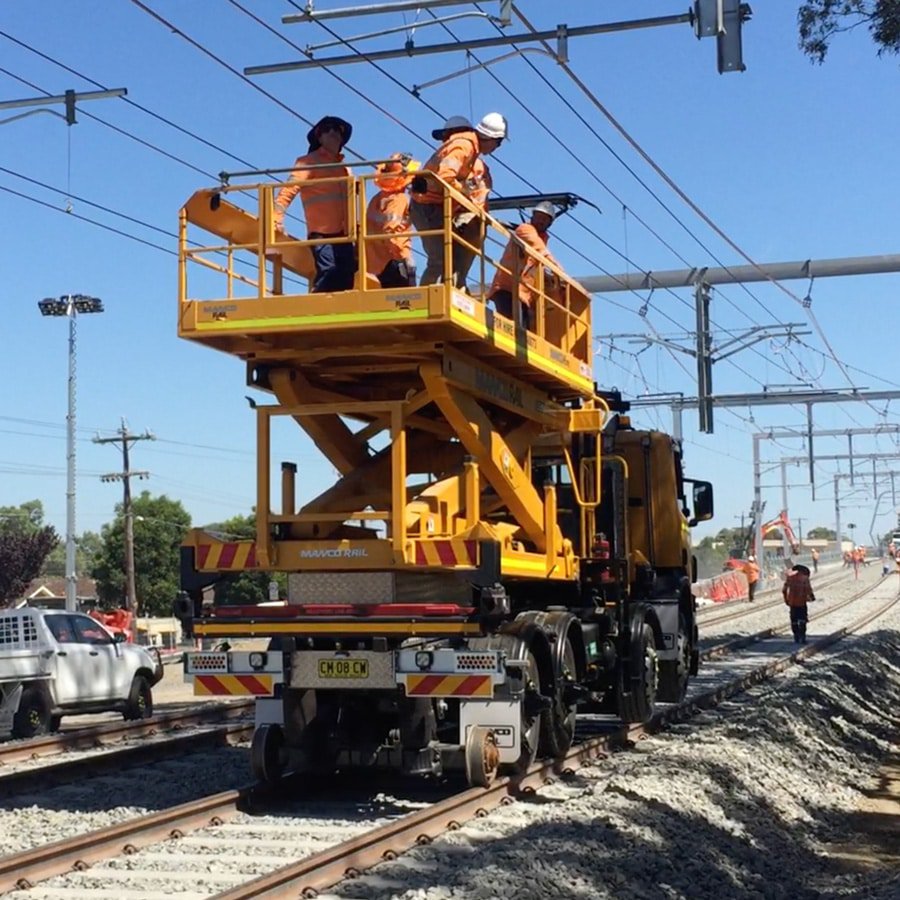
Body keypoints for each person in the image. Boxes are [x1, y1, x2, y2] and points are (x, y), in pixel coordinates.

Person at [410, 112, 507, 286]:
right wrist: (463, 192)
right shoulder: (464, 147)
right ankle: (425, 302)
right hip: (426, 205)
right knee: (440, 260)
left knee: (448, 260)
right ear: (491, 138)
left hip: (436, 206)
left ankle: (445, 294)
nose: (497, 148)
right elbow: (445, 177)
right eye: (498, 143)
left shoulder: (470, 150)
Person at [273, 115, 355, 293]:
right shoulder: (309, 161)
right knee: (330, 273)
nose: (333, 132)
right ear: (319, 137)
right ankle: (317, 303)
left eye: (337, 130)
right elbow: (288, 190)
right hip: (322, 234)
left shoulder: (345, 169)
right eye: (327, 129)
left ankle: (336, 316)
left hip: (345, 235)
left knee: (348, 275)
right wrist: (276, 218)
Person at [488, 201, 561, 331]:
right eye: (538, 216)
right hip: (507, 289)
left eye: (544, 219)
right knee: (516, 333)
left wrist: (547, 276)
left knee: (525, 333)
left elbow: (532, 264)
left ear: (550, 223)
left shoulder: (542, 238)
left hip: (521, 293)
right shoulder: (525, 229)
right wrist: (560, 272)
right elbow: (540, 250)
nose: (540, 220)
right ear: (532, 217)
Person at [365, 153, 420, 288]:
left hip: (376, 263)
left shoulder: (377, 199)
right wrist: (404, 258)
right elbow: (391, 231)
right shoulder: (398, 199)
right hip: (394, 261)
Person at [783, 563, 816, 644]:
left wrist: (786, 599)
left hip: (792, 603)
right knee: (802, 619)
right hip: (801, 602)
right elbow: (809, 590)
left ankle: (796, 637)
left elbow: (784, 590)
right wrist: (812, 597)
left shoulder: (790, 578)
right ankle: (802, 637)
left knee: (793, 620)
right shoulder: (805, 579)